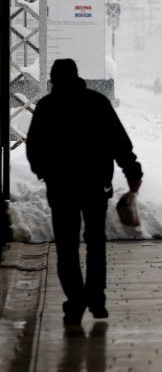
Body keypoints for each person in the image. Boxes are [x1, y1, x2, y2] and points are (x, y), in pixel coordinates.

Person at [26, 59, 143, 325]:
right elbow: (119, 141)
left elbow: (34, 148)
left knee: (67, 247)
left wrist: (44, 172)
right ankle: (97, 299)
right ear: (77, 76)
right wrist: (132, 171)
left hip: (61, 188)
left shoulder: (47, 106)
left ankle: (75, 301)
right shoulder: (97, 102)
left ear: (53, 80)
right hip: (94, 185)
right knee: (95, 242)